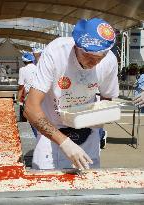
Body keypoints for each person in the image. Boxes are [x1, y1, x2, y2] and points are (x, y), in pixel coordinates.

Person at [24, 18, 119, 170]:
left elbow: (107, 98)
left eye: (98, 59)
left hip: (87, 133)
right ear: (77, 46)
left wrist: (101, 115)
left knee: (88, 186)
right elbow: (30, 107)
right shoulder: (56, 52)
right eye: (88, 56)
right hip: (52, 134)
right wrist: (65, 142)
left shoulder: (109, 61)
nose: (92, 63)